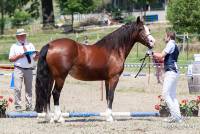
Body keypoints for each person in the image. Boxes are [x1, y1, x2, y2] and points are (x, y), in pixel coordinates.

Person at [153, 31, 182, 123]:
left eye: (165, 36)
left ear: (169, 37)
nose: (164, 38)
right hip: (174, 71)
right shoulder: (175, 45)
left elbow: (161, 56)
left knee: (166, 94)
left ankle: (175, 116)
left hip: (171, 72)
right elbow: (162, 58)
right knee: (172, 96)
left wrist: (152, 53)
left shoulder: (170, 44)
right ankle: (178, 117)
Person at [9, 29, 39, 111]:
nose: (23, 37)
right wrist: (19, 56)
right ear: (17, 37)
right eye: (21, 35)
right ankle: (18, 106)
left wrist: (37, 56)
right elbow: (11, 59)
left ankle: (29, 106)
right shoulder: (14, 46)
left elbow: (34, 59)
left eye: (24, 35)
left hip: (29, 69)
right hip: (18, 69)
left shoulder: (30, 45)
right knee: (17, 88)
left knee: (29, 89)